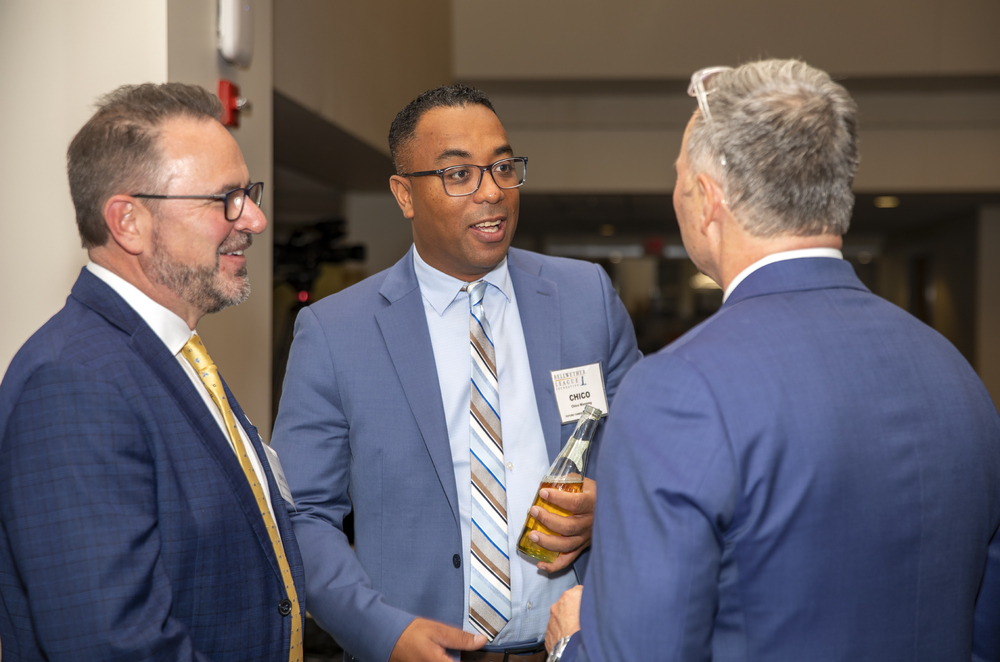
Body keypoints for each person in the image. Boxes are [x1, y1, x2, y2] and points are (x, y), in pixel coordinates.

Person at [545, 59, 1000, 662]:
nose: (676, 191)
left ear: (708, 200)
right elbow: (983, 629)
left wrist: (572, 643)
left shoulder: (677, 390)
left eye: (679, 176)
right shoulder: (956, 375)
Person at [270, 84, 641, 662]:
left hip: (580, 646)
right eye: (458, 175)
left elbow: (648, 459)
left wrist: (611, 504)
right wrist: (381, 633)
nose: (491, 191)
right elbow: (305, 516)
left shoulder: (584, 297)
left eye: (501, 167)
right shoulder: (336, 331)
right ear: (404, 194)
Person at [0, 83, 305, 661]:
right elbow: (112, 645)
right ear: (129, 222)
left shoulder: (171, 356)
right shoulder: (74, 382)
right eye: (226, 199)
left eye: (250, 193)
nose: (256, 219)